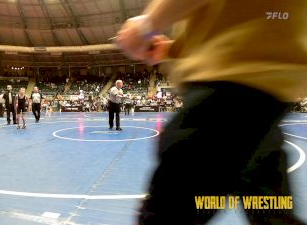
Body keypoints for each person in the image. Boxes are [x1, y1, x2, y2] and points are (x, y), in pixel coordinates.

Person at [115, 0, 307, 224]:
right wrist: (173, 48)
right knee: (271, 212)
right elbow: (235, 16)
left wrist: (147, 25)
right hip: (264, 94)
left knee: (168, 213)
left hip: (223, 96)